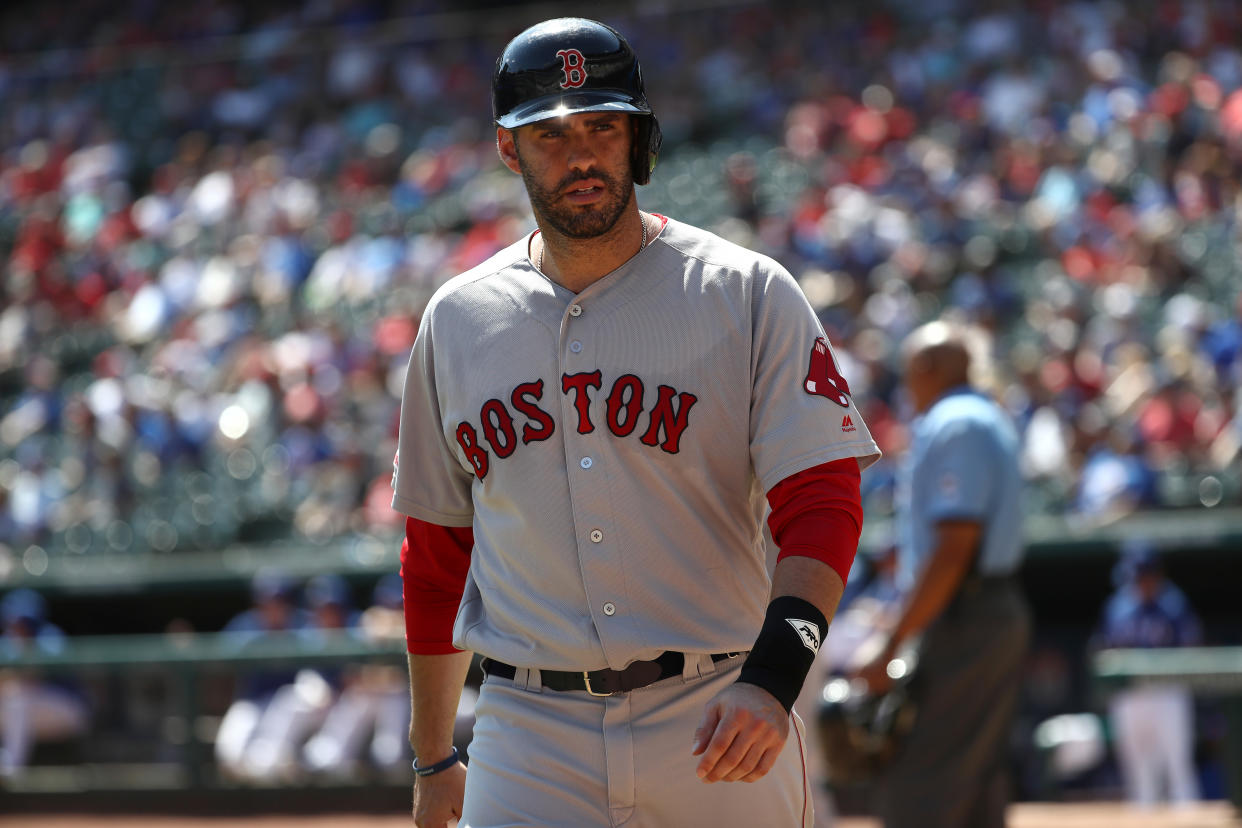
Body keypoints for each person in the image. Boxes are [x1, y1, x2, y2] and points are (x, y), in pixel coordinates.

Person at [390, 17, 880, 828]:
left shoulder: (746, 292)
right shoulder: (457, 320)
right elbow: (436, 556)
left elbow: (823, 503)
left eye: (602, 126)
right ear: (509, 150)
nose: (580, 154)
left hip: (718, 708)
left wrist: (774, 679)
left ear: (639, 139)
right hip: (528, 727)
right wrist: (434, 753)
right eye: (550, 135)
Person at [849, 320, 1031, 828]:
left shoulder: (958, 421)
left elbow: (954, 549)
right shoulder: (980, 415)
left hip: (966, 613)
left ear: (926, 367)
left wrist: (891, 645)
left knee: (920, 782)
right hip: (977, 609)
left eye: (910, 369)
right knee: (973, 783)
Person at [1095, 542, 1201, 806]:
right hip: (1130, 695)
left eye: (1144, 575)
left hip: (1167, 692)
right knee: (1138, 771)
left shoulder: (1174, 605)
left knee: (1178, 767)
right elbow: (1102, 649)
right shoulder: (1117, 606)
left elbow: (1191, 650)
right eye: (1136, 576)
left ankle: (1188, 819)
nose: (1140, 582)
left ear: (1156, 574)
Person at [0, 589, 91, 779]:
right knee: (15, 695)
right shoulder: (8, 641)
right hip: (31, 713)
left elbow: (32, 677)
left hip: (68, 710)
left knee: (18, 695)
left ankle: (10, 768)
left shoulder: (51, 638)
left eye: (23, 620)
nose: (17, 624)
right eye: (14, 620)